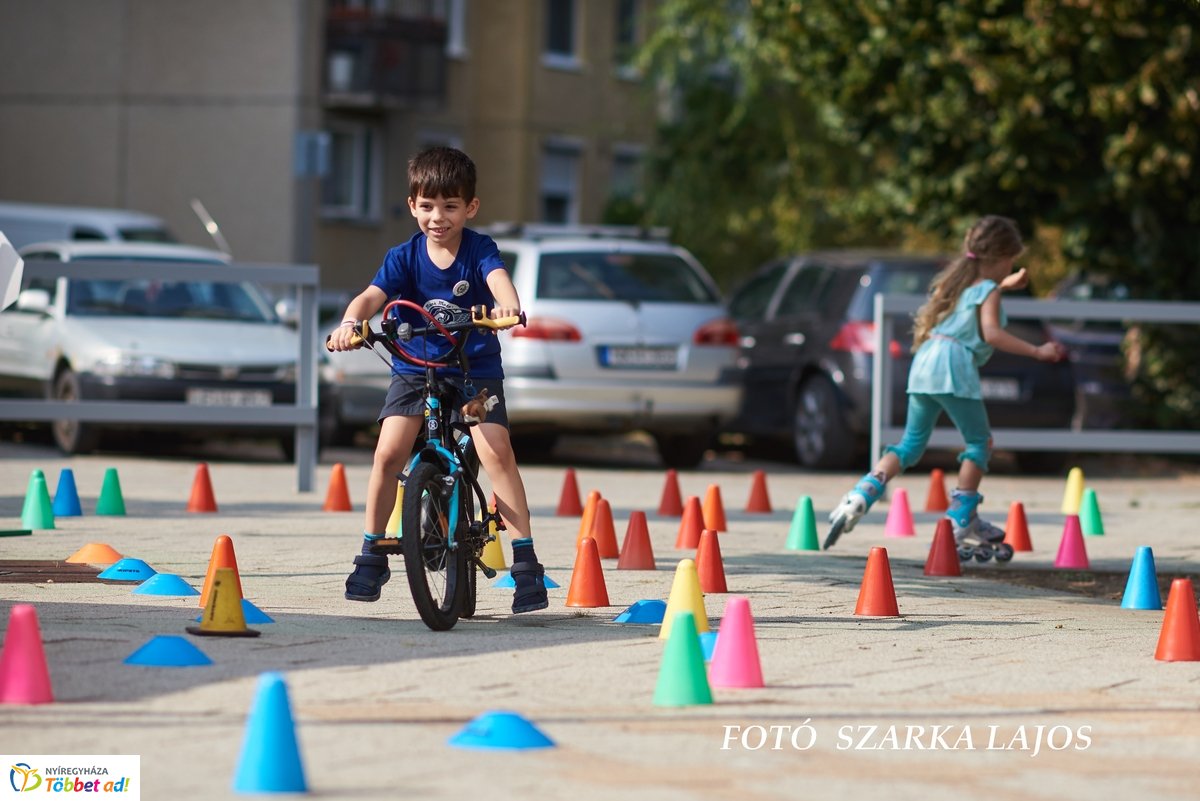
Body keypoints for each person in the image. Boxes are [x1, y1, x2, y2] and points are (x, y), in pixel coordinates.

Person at [327, 146, 549, 614]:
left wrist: (506, 307)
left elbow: (500, 281)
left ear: (470, 208)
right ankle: (371, 551)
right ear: (412, 206)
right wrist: (350, 323)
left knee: (496, 452)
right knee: (388, 452)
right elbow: (371, 297)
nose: (437, 217)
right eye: (426, 206)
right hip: (414, 367)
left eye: (450, 206)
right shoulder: (404, 256)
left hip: (474, 372)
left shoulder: (479, 250)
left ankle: (526, 561)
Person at [824, 215, 1066, 551]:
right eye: (1011, 259)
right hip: (954, 366)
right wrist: (1037, 350)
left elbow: (979, 298)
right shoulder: (987, 291)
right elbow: (992, 332)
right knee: (979, 443)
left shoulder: (958, 285)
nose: (1013, 265)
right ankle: (961, 517)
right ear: (999, 258)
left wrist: (1004, 285)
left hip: (925, 362)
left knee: (909, 445)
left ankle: (861, 493)